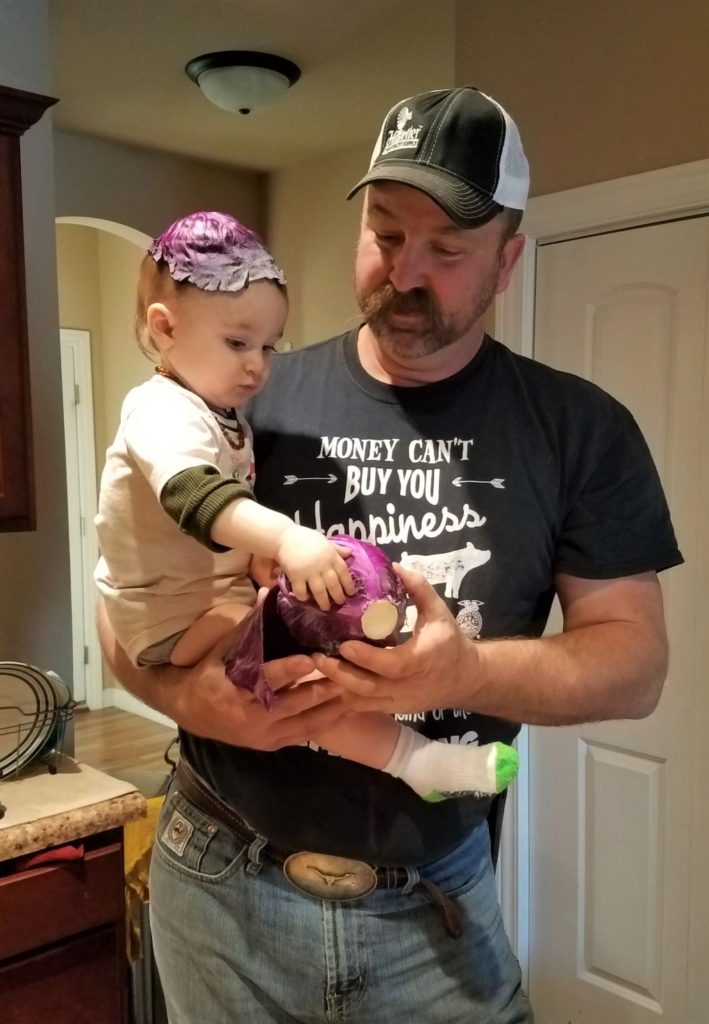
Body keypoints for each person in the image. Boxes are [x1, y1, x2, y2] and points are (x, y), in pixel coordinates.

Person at [98, 87, 682, 1024]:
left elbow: (634, 668)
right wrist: (179, 695)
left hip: (435, 911)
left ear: (507, 260)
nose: (404, 270)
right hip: (220, 886)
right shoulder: (239, 390)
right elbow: (126, 597)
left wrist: (468, 669)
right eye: (384, 231)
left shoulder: (578, 429)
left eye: (447, 250)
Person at [95, 210, 518, 813]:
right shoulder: (161, 411)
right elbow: (195, 497)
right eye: (238, 343)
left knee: (304, 667)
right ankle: (418, 762)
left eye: (268, 345)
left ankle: (415, 759)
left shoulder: (216, 408)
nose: (258, 366)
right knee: (308, 677)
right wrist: (287, 541)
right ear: (164, 328)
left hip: (200, 603)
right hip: (170, 621)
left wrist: (257, 555)